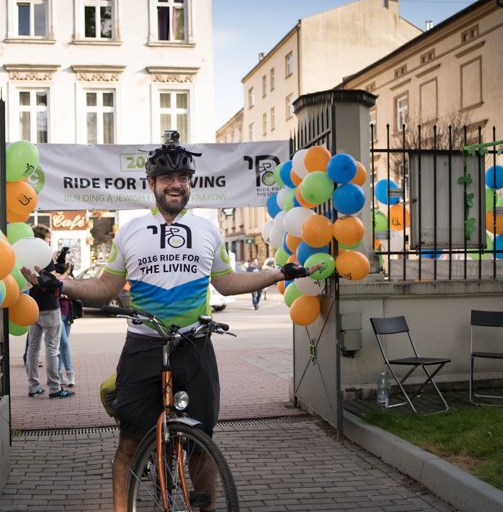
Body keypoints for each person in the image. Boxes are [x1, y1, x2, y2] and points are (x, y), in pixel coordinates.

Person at [23, 131, 314, 511]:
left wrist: (278, 274)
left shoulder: (208, 230)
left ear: (191, 183)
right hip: (144, 345)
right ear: (152, 184)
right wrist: (61, 284)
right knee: (130, 443)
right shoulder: (131, 231)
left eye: (183, 178)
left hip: (194, 345)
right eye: (167, 178)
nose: (176, 185)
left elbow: (226, 283)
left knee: (201, 442)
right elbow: (105, 286)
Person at [24, 226, 74, 399]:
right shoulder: (45, 256)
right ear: (41, 239)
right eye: (48, 238)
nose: (49, 242)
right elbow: (53, 282)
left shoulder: (24, 255)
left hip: (32, 307)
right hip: (50, 308)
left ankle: (33, 386)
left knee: (33, 348)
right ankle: (54, 387)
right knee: (52, 348)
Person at [55, 250, 76, 388]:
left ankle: (58, 373)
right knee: (64, 343)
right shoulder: (56, 275)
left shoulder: (70, 278)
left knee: (63, 344)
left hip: (68, 314)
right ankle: (69, 373)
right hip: (57, 313)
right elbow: (58, 281)